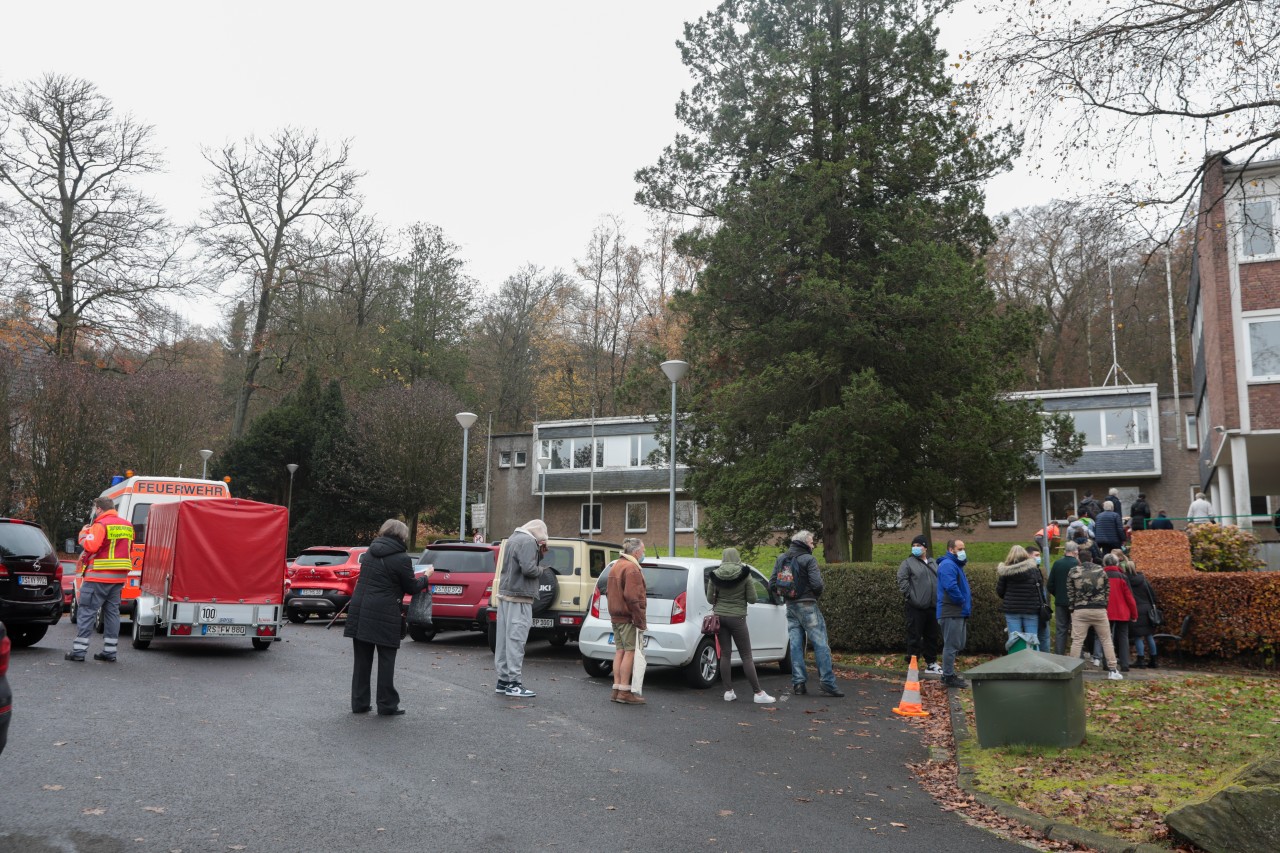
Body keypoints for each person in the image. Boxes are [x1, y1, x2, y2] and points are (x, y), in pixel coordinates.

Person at [344, 519, 428, 715]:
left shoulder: (369, 554)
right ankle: (387, 704)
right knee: (386, 660)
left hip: (361, 610)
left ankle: (359, 703)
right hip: (385, 613)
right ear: (402, 535)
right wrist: (426, 578)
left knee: (362, 661)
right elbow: (411, 587)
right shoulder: (401, 558)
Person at [771, 530, 844, 698]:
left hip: (790, 607)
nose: (813, 546)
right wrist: (812, 596)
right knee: (821, 644)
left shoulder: (782, 558)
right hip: (808, 605)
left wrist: (787, 596)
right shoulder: (809, 559)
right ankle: (828, 683)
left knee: (796, 645)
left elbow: (772, 583)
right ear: (804, 543)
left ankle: (799, 683)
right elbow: (817, 584)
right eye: (811, 543)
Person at [66, 497, 134, 663]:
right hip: (118, 578)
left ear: (99, 509)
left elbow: (91, 546)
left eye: (95, 509)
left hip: (98, 576)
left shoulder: (101, 524)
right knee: (112, 614)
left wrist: (83, 534)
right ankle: (110, 652)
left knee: (87, 612)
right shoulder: (127, 525)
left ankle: (79, 652)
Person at [707, 547, 775, 703]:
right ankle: (758, 693)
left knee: (725, 654)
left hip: (720, 617)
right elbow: (752, 598)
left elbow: (710, 599)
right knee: (746, 656)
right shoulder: (745, 574)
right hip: (737, 618)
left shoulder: (715, 575)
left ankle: (728, 692)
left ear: (723, 557)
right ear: (737, 557)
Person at [494, 519, 549, 699]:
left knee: (503, 640)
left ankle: (503, 681)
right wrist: (542, 569)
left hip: (505, 595)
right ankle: (514, 684)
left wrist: (538, 553)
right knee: (516, 640)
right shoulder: (528, 542)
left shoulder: (513, 539)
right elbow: (529, 570)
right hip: (520, 596)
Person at [1067, 551, 1123, 680]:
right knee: (1106, 640)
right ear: (1091, 559)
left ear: (1078, 559)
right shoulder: (1100, 571)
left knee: (1077, 641)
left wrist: (1072, 608)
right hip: (1099, 609)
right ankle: (1113, 669)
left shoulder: (1073, 571)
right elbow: (1107, 589)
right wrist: (1103, 605)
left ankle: (1072, 670)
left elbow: (1070, 592)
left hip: (1080, 610)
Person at [607, 537, 648, 705]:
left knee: (620, 651)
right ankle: (625, 691)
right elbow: (632, 597)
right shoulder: (632, 568)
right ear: (636, 552)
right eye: (643, 551)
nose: (644, 553)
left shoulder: (616, 565)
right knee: (630, 651)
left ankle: (616, 689)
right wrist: (640, 619)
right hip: (627, 617)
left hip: (615, 616)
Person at [896, 534, 942, 675]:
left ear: (925, 548)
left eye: (919, 545)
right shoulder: (908, 563)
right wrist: (910, 596)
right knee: (914, 635)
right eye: (914, 546)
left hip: (932, 606)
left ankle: (931, 663)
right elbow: (901, 580)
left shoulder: (934, 563)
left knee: (932, 636)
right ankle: (913, 663)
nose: (915, 548)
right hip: (915, 606)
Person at [996, 545, 1047, 653]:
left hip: (1012, 610)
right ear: (1025, 555)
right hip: (1031, 609)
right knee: (1033, 639)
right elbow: (1039, 590)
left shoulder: (1005, 572)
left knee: (1014, 640)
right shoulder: (1034, 570)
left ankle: (1015, 666)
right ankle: (1035, 665)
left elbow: (1000, 592)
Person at [936, 538, 972, 689]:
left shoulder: (955, 565)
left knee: (958, 643)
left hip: (958, 610)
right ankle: (948, 676)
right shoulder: (948, 565)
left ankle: (949, 673)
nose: (963, 552)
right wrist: (961, 600)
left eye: (963, 548)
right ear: (951, 550)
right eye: (960, 549)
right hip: (951, 610)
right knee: (951, 645)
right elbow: (951, 587)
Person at [1095, 555, 1138, 672]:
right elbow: (1129, 597)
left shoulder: (1100, 576)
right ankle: (1125, 664)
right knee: (1123, 637)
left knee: (1106, 637)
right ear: (1117, 563)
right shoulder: (1123, 577)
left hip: (1106, 611)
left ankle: (1107, 663)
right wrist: (1134, 614)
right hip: (1122, 611)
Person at [1046, 541, 1080, 655]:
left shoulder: (1057, 563)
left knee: (1061, 630)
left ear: (1065, 550)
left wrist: (1058, 594)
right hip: (1076, 602)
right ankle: (1077, 657)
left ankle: (1059, 656)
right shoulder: (1078, 564)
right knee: (1077, 631)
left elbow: (1050, 585)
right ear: (1075, 551)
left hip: (1060, 602)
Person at [1126, 561, 1162, 668]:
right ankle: (1153, 660)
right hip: (1147, 610)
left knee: (1138, 636)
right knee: (1149, 635)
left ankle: (1140, 660)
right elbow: (1153, 595)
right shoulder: (1143, 580)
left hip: (1135, 610)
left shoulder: (1126, 581)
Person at [1026, 544, 1051, 652]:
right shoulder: (1025, 572)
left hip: (1041, 610)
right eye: (1036, 555)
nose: (1038, 558)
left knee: (1044, 636)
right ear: (1028, 556)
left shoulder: (1038, 571)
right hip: (1032, 610)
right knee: (1034, 638)